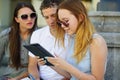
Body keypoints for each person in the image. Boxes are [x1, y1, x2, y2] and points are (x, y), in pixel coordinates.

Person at [45, 0, 108, 80]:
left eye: (66, 21)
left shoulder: (96, 42)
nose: (62, 26)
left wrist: (67, 66)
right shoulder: (72, 38)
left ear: (81, 17)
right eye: (60, 23)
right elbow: (70, 75)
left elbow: (97, 79)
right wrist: (51, 64)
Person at [28, 0, 71, 80]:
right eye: (46, 17)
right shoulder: (37, 34)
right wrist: (36, 78)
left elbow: (73, 73)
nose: (50, 21)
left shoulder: (70, 35)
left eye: (53, 15)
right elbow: (32, 65)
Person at [0, 1, 37, 80]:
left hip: (31, 76)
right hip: (9, 76)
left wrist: (18, 78)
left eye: (32, 15)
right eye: (24, 16)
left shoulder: (40, 35)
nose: (30, 19)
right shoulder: (5, 35)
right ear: (17, 19)